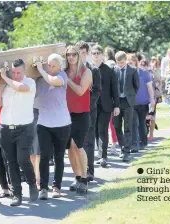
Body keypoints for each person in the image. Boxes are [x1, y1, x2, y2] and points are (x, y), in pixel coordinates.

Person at [0, 59, 38, 206]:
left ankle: (32, 184)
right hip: (5, 128)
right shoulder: (5, 85)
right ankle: (17, 194)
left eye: (18, 72)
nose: (16, 75)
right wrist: (0, 86)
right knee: (11, 162)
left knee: (22, 159)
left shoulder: (30, 82)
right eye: (13, 72)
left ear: (24, 71)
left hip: (24, 128)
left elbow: (21, 88)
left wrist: (5, 77)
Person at [35, 54, 71, 199]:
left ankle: (56, 187)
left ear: (60, 66)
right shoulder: (39, 79)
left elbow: (52, 81)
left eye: (53, 65)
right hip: (44, 123)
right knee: (44, 156)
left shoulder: (62, 76)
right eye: (48, 65)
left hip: (62, 123)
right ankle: (43, 188)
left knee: (59, 156)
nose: (50, 68)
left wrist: (41, 70)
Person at [65, 45, 92, 194]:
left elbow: (81, 91)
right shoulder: (64, 72)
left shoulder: (86, 72)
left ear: (79, 56)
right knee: (70, 147)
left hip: (82, 114)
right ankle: (77, 176)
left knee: (78, 146)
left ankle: (84, 178)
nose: (71, 57)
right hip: (66, 114)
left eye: (74, 54)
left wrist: (67, 80)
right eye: (68, 55)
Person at [76, 41, 101, 181]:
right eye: (79, 52)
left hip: (89, 110)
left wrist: (87, 104)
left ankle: (89, 170)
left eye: (84, 52)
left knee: (89, 141)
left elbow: (97, 91)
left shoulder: (93, 69)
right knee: (77, 143)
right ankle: (79, 171)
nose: (81, 55)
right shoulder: (71, 70)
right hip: (74, 111)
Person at [92, 44, 119, 167]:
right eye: (94, 53)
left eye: (98, 53)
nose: (96, 55)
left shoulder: (109, 70)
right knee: (96, 130)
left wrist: (116, 105)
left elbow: (115, 89)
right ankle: (99, 153)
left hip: (106, 105)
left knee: (102, 129)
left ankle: (103, 156)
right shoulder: (89, 70)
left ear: (102, 55)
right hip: (92, 104)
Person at [113, 51, 139, 162]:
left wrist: (131, 96)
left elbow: (136, 86)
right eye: (118, 63)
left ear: (125, 60)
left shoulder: (133, 70)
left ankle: (126, 151)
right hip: (117, 102)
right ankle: (122, 146)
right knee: (117, 126)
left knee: (128, 127)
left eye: (122, 62)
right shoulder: (114, 70)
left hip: (128, 102)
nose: (120, 65)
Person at [128, 54, 155, 152]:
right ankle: (134, 144)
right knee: (134, 123)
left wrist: (152, 99)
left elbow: (149, 87)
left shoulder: (144, 73)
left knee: (142, 123)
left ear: (136, 62)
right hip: (132, 103)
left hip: (143, 102)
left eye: (132, 61)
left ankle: (143, 142)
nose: (130, 64)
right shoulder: (127, 73)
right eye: (129, 62)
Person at [103, 46, 118, 154]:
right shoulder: (114, 64)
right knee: (111, 123)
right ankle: (112, 143)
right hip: (111, 96)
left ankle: (113, 144)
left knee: (110, 123)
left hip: (109, 97)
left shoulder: (108, 64)